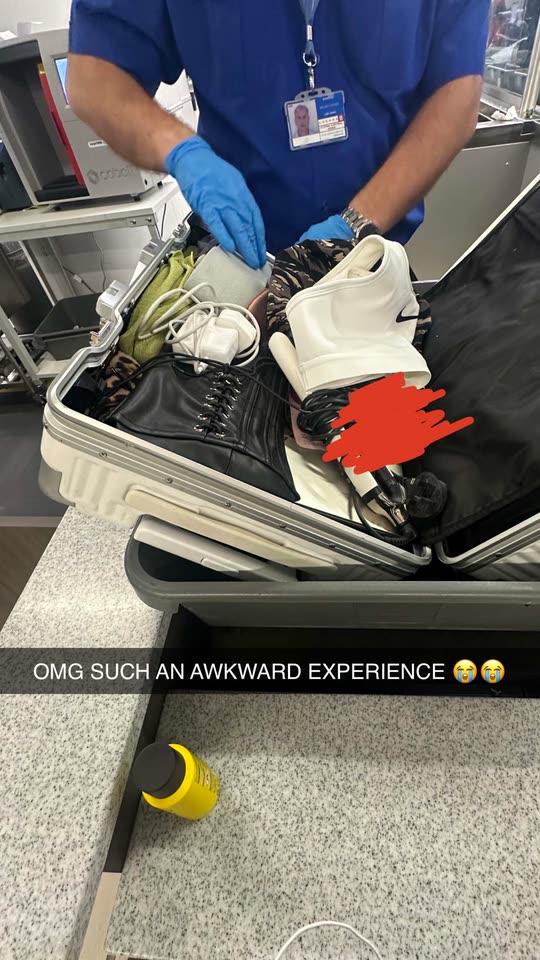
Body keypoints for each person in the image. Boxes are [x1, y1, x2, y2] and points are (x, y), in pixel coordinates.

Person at [68, 1, 491, 270]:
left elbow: (456, 95)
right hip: (241, 257)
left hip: (372, 250)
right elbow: (94, 79)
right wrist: (184, 153)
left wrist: (355, 224)